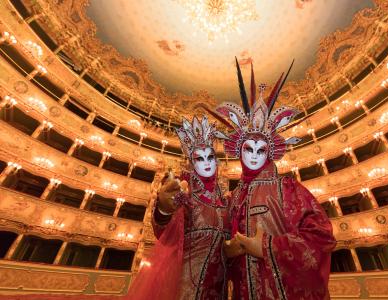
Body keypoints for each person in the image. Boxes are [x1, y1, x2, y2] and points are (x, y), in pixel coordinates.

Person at [211, 59, 336, 299]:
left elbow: (321, 236)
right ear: (239, 151)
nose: (255, 156)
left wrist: (267, 247)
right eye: (249, 150)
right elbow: (215, 240)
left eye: (261, 151)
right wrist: (227, 251)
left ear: (270, 153)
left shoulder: (287, 189)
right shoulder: (232, 198)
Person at [126, 116, 230, 300]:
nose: (206, 162)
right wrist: (164, 210)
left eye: (210, 157)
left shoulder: (224, 199)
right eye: (199, 158)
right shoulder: (184, 189)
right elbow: (165, 235)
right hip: (183, 287)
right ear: (191, 162)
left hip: (219, 289)